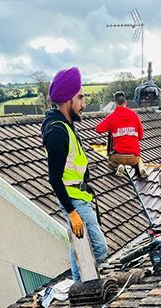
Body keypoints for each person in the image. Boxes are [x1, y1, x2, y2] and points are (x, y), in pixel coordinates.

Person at [41, 66, 108, 282]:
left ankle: (80, 283)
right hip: (73, 200)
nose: (83, 104)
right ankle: (83, 283)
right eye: (80, 97)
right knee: (99, 248)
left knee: (79, 245)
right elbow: (54, 178)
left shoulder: (66, 126)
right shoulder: (57, 132)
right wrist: (72, 212)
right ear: (68, 99)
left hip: (80, 197)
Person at [95, 91, 149, 178]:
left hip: (118, 156)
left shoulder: (111, 117)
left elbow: (98, 129)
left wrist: (111, 127)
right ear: (125, 102)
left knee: (110, 160)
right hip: (133, 157)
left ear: (115, 103)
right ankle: (141, 169)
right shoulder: (134, 115)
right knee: (139, 159)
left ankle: (118, 167)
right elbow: (141, 136)